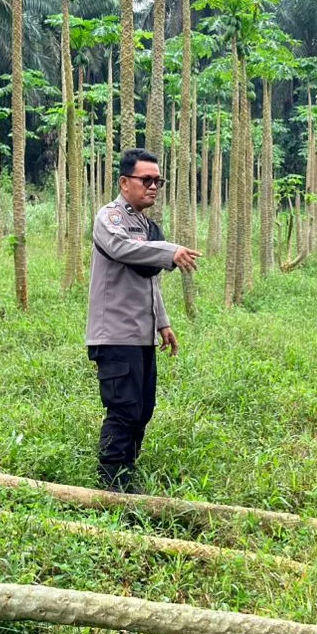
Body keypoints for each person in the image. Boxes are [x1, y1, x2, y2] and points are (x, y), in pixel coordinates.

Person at [87, 148, 202, 494]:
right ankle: (111, 484)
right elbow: (123, 250)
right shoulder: (110, 219)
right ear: (125, 182)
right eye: (146, 180)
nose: (153, 187)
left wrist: (163, 324)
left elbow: (149, 280)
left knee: (143, 408)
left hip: (142, 335)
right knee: (123, 409)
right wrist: (170, 251)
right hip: (114, 334)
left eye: (158, 181)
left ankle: (127, 474)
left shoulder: (147, 225)